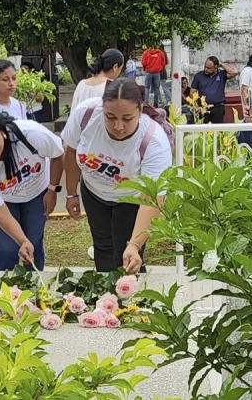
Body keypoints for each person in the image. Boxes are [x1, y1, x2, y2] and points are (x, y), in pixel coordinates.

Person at [61, 78, 172, 274]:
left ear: (140, 111)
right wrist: (71, 193)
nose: (118, 126)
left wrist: (135, 245)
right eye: (110, 117)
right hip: (94, 192)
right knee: (102, 247)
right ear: (102, 109)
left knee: (126, 254)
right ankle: (105, 299)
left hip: (131, 199)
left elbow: (152, 199)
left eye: (127, 119)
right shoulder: (85, 115)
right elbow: (70, 151)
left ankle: (132, 300)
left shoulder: (154, 142)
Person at [0, 108, 64, 270]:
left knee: (34, 242)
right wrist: (22, 241)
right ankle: (4, 291)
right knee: (8, 247)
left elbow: (58, 154)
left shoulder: (30, 134)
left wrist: (52, 189)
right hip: (5, 201)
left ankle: (36, 287)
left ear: (1, 130)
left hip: (37, 192)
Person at [190, 57, 239, 124]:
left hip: (217, 108)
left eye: (209, 68)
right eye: (205, 66)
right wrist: (196, 106)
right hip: (203, 108)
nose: (206, 69)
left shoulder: (221, 74)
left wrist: (221, 64)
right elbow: (192, 92)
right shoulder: (199, 76)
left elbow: (234, 72)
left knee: (217, 131)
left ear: (216, 67)